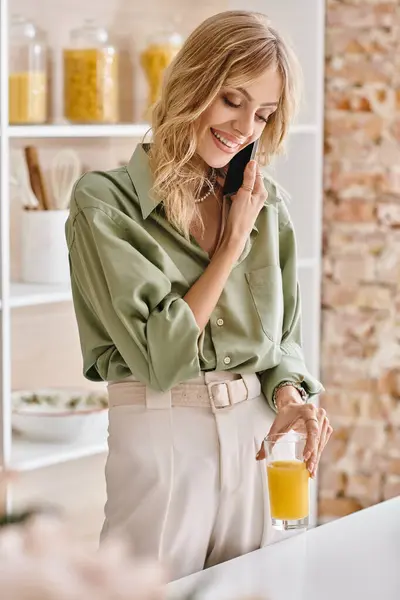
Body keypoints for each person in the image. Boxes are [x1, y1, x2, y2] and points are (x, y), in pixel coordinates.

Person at [65, 10, 332, 581]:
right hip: (165, 435)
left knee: (265, 590)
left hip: (260, 438)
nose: (244, 126)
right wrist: (232, 243)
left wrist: (289, 396)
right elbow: (160, 357)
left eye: (262, 114)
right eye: (232, 100)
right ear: (194, 83)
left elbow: (283, 341)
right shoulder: (104, 203)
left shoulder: (268, 204)